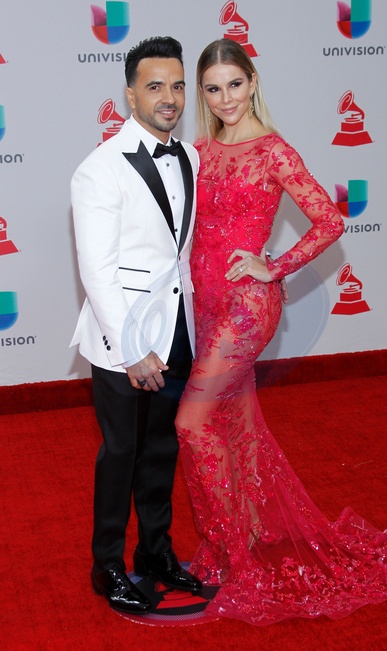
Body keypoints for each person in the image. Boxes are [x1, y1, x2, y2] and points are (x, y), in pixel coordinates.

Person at [175, 39, 387, 625]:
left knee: (192, 422)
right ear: (202, 93)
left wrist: (275, 266)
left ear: (252, 82)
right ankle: (245, 531)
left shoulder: (273, 151)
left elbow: (329, 219)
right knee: (233, 419)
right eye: (212, 88)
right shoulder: (199, 151)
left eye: (234, 84)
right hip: (205, 303)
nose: (225, 98)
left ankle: (233, 557)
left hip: (247, 307)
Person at [70, 36, 202, 615]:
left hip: (177, 330)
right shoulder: (99, 170)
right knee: (121, 453)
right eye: (154, 86)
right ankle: (106, 566)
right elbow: (96, 271)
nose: (168, 97)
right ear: (130, 94)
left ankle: (155, 552)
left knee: (161, 450)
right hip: (122, 341)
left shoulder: (191, 156)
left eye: (177, 85)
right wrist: (132, 348)